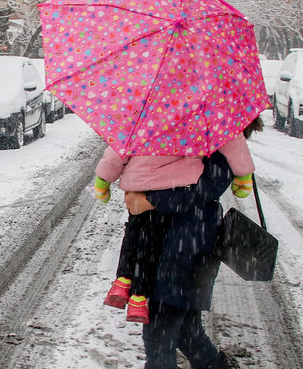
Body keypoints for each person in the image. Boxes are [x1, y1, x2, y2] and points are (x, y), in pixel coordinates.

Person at [93, 125, 261, 369]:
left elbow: (214, 181)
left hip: (187, 245)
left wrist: (153, 199)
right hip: (167, 242)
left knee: (159, 338)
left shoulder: (214, 118)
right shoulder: (172, 110)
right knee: (189, 337)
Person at [94, 120, 259, 324]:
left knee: (137, 235)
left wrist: (107, 180)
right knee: (149, 243)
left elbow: (119, 147)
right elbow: (233, 148)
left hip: (152, 196)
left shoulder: (149, 112)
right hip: (176, 203)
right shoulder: (208, 117)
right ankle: (137, 294)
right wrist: (244, 176)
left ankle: (125, 281)